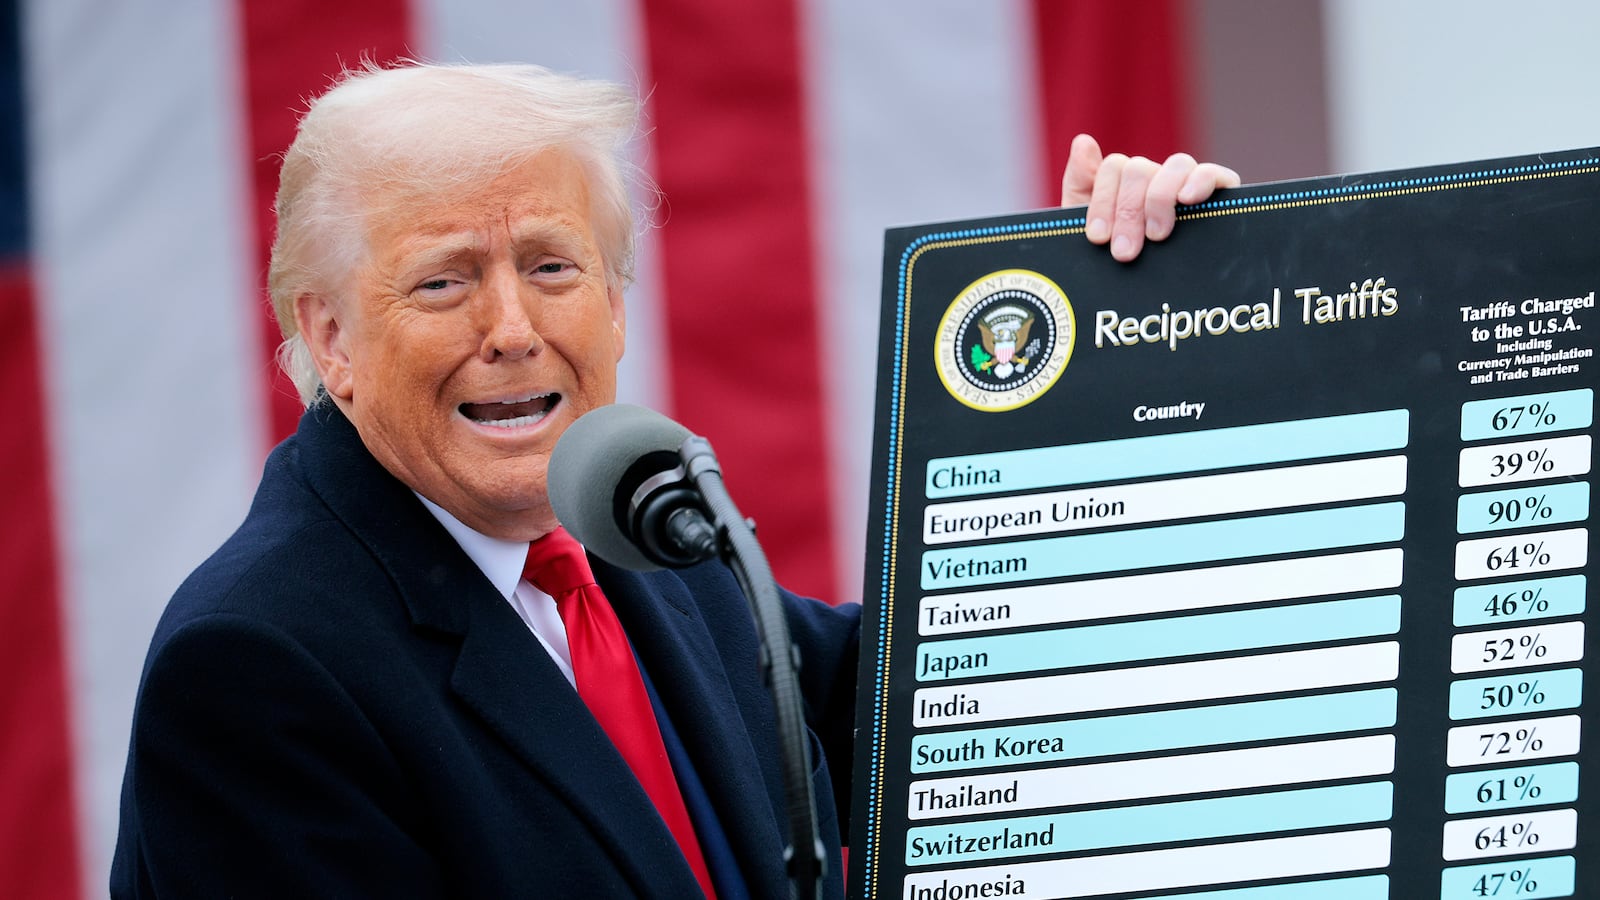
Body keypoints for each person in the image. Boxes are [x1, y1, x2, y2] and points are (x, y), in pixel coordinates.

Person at [109, 62, 1239, 899]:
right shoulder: (254, 668)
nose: (512, 329)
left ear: (615, 298)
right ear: (331, 336)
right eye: (444, 282)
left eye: (552, 267)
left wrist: (1130, 324)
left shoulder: (632, 525)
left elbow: (952, 707)